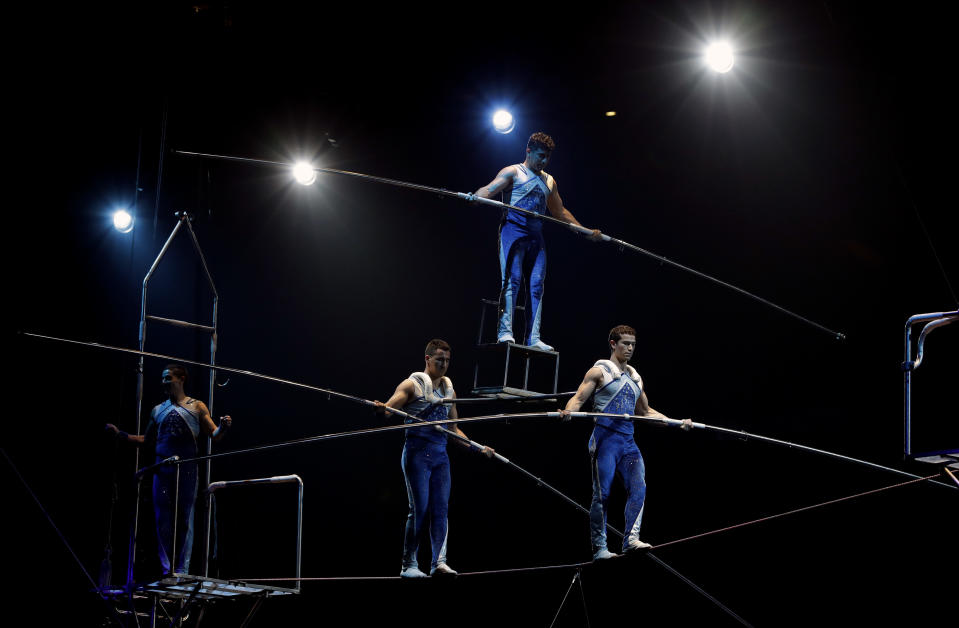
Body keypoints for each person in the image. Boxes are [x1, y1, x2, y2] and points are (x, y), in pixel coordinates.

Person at [560, 326, 690, 560]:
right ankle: (600, 548)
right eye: (625, 343)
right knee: (603, 494)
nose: (630, 348)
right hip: (605, 440)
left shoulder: (635, 377)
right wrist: (569, 412)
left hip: (628, 443)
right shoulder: (599, 371)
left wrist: (676, 422)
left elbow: (646, 411)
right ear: (612, 344)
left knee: (639, 487)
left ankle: (631, 539)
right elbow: (578, 399)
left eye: (633, 344)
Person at [376, 339, 495, 578]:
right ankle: (408, 564)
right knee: (419, 509)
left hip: (440, 457)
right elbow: (389, 410)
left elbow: (454, 429)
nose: (444, 365)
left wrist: (477, 448)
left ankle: (438, 563)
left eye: (448, 361)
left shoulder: (449, 391)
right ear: (428, 359)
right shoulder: (412, 385)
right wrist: (381, 408)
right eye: (439, 359)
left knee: (440, 509)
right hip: (417, 454)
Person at [474, 132, 602, 351]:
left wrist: (586, 231)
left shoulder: (549, 181)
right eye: (540, 155)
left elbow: (560, 213)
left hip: (536, 239)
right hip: (512, 233)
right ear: (529, 150)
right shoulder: (513, 172)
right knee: (511, 282)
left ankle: (533, 338)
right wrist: (477, 196)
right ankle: (505, 333)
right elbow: (489, 189)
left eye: (547, 158)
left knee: (536, 287)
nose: (543, 161)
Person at [107, 364, 232, 574]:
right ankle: (167, 570)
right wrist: (121, 435)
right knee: (162, 520)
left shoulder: (197, 406)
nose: (164, 382)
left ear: (181, 379)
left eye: (168, 378)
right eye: (163, 378)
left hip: (187, 471)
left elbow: (215, 435)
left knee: (184, 519)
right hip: (162, 471)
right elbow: (147, 440)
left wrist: (224, 427)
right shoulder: (158, 409)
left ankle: (181, 571)